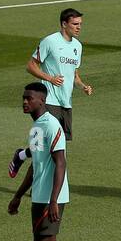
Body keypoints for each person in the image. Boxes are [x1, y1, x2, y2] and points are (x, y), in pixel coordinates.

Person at [9, 9, 95, 178]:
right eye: (75, 24)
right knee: (48, 149)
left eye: (80, 25)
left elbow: (74, 75)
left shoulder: (77, 46)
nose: (79, 28)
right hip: (49, 100)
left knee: (49, 147)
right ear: (64, 24)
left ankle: (20, 155)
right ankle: (38, 186)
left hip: (66, 103)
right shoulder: (50, 41)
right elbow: (31, 66)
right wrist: (49, 78)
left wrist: (83, 86)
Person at [8, 82, 70, 241]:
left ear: (41, 100)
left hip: (48, 197)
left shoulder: (51, 125)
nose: (25, 102)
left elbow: (60, 162)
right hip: (41, 195)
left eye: (29, 98)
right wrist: (18, 195)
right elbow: (36, 165)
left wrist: (54, 199)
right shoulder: (36, 128)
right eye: (23, 98)